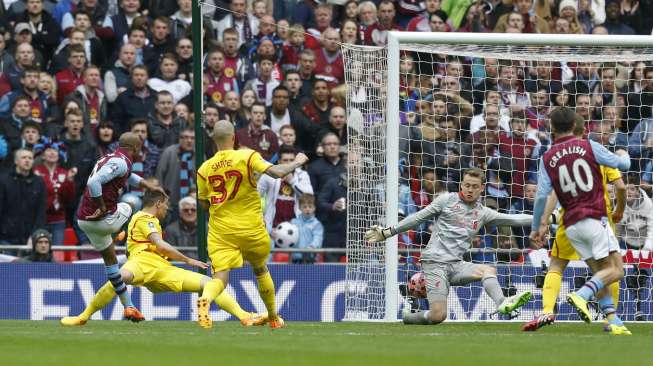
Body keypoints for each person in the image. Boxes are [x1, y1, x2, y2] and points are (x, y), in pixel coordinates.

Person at [60, 189, 267, 326]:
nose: (168, 208)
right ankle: (83, 316)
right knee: (118, 277)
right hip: (142, 262)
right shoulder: (145, 218)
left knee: (210, 284)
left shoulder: (143, 219)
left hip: (162, 268)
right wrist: (189, 260)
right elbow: (159, 244)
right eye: (166, 204)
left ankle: (244, 317)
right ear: (158, 203)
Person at [365, 168, 534, 325]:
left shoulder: (483, 212)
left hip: (457, 265)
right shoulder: (446, 200)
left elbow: (514, 219)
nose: (469, 189)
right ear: (461, 184)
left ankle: (502, 303)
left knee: (488, 270)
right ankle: (408, 317)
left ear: (482, 188)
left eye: (474, 186)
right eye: (467, 185)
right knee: (438, 316)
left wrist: (545, 218)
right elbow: (418, 218)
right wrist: (388, 232)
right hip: (434, 264)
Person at [196, 120, 309, 329]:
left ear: (214, 140)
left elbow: (203, 203)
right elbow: (276, 173)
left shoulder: (204, 169)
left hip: (221, 231)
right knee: (260, 269)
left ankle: (206, 299)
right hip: (251, 227)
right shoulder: (247, 156)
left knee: (219, 276)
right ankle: (274, 317)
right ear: (233, 137)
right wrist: (297, 162)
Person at [530, 107, 632, 335]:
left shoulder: (547, 158)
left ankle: (613, 320)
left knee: (601, 272)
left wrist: (538, 226)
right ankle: (581, 295)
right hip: (595, 218)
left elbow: (541, 197)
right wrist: (625, 154)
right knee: (616, 270)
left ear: (552, 128)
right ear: (577, 127)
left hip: (571, 225)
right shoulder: (589, 146)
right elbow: (623, 167)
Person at [76, 132, 165, 322]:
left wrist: (147, 185)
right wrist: (101, 206)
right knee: (130, 204)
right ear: (134, 147)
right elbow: (94, 182)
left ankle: (129, 307)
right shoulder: (122, 161)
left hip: (85, 221)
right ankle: (125, 236)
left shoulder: (113, 158)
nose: (140, 150)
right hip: (102, 220)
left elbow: (128, 176)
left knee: (112, 262)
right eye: (139, 147)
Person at [258, 145, 314, 233]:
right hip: (271, 228)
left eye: (292, 160)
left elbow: (309, 197)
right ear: (279, 161)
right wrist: (262, 222)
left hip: (296, 228)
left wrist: (292, 181)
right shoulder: (268, 176)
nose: (289, 163)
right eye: (285, 160)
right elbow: (255, 197)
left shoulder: (302, 175)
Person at [0, 149, 46, 247]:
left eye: (30, 158)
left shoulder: (39, 182)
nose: (27, 160)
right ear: (16, 161)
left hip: (30, 237)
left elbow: (40, 212)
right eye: (24, 157)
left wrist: (35, 235)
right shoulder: (3, 181)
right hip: (6, 237)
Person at [289, 194, 323, 264]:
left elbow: (318, 239)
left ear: (314, 208)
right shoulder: (293, 222)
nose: (307, 209)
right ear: (300, 208)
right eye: (304, 207)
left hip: (310, 258)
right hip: (295, 258)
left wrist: (311, 247)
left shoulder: (317, 224)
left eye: (310, 207)